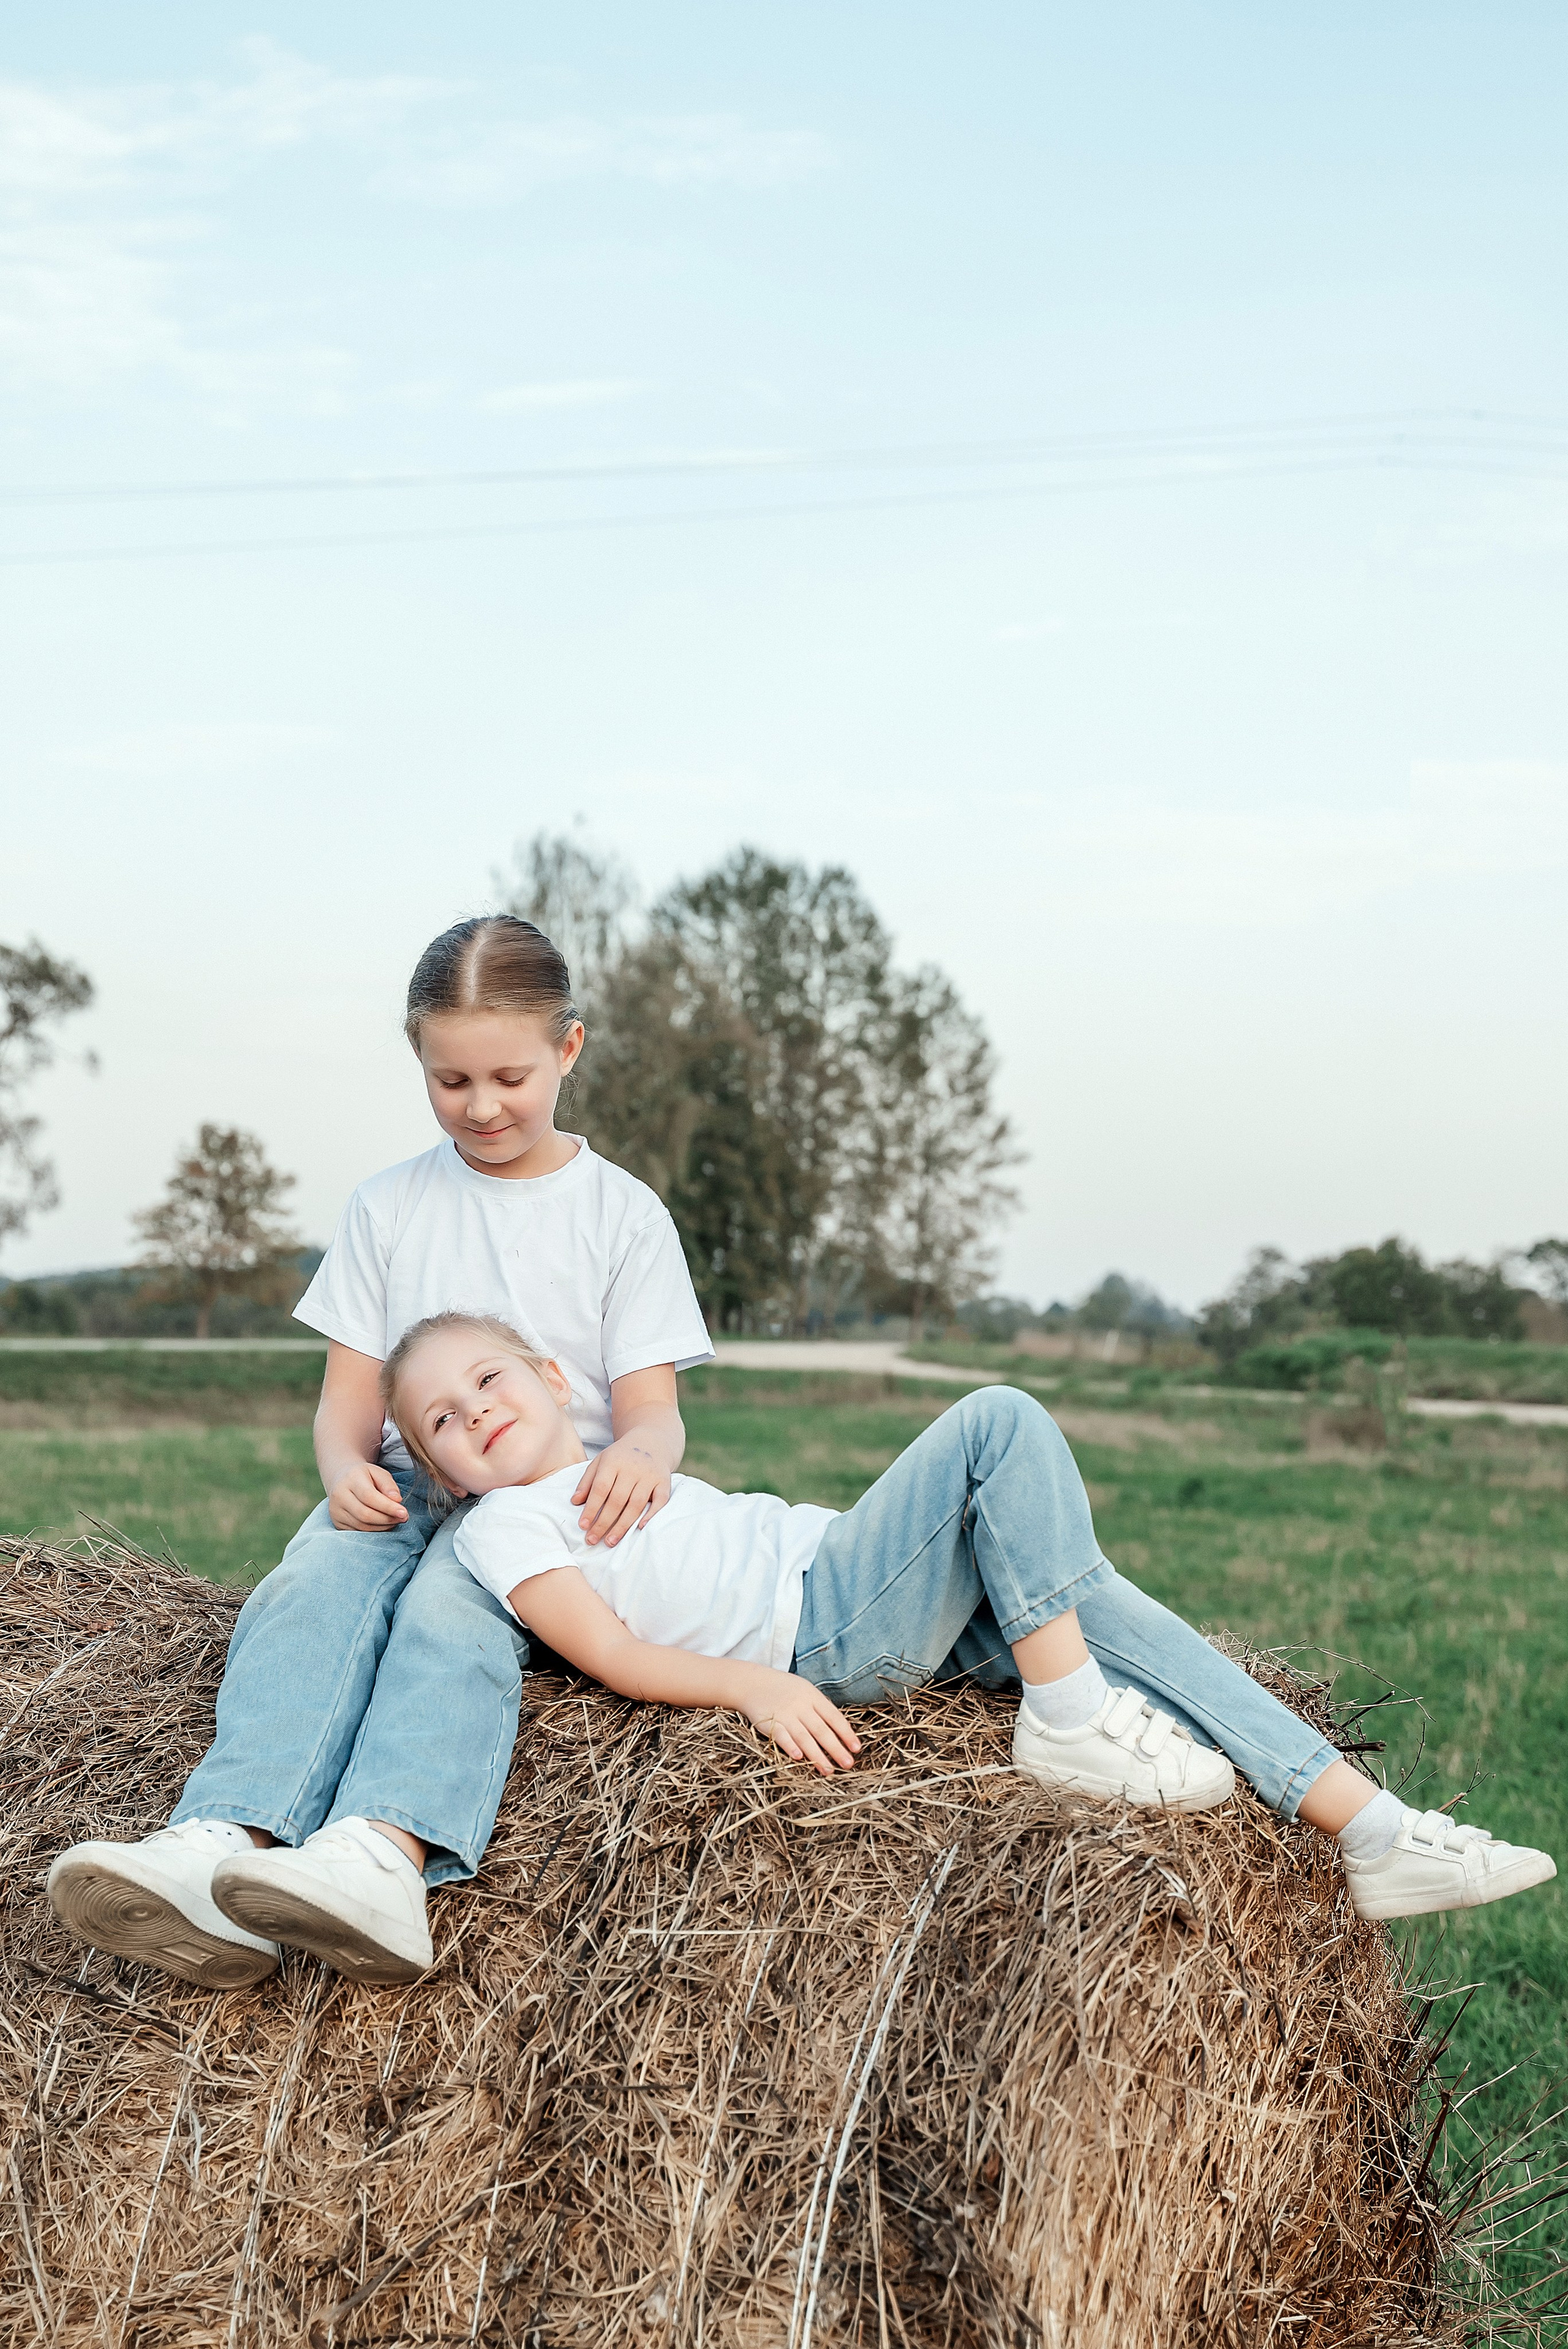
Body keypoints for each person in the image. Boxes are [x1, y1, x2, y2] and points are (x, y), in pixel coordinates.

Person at [232, 1307, 1550, 1966]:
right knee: (996, 1422)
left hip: (852, 1582)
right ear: (440, 1473)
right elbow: (611, 1656)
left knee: (1096, 1598)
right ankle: (1070, 1717)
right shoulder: (502, 1532)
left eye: (488, 1380)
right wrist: (752, 1690)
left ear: (550, 1377)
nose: (474, 1413)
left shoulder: (610, 1463)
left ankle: (1366, 1825)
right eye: (443, 1423)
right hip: (829, 1621)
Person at [47, 916, 714, 1990]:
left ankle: (381, 1858)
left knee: (449, 1612)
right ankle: (218, 1844)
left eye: (509, 1077)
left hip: (545, 1494)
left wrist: (641, 1453)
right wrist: (342, 1470)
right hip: (413, 1476)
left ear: (569, 1049)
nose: (482, 1106)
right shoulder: (389, 1207)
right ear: (419, 1062)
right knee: (313, 1581)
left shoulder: (623, 1216)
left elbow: (655, 1414)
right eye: (451, 1081)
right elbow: (345, 1406)